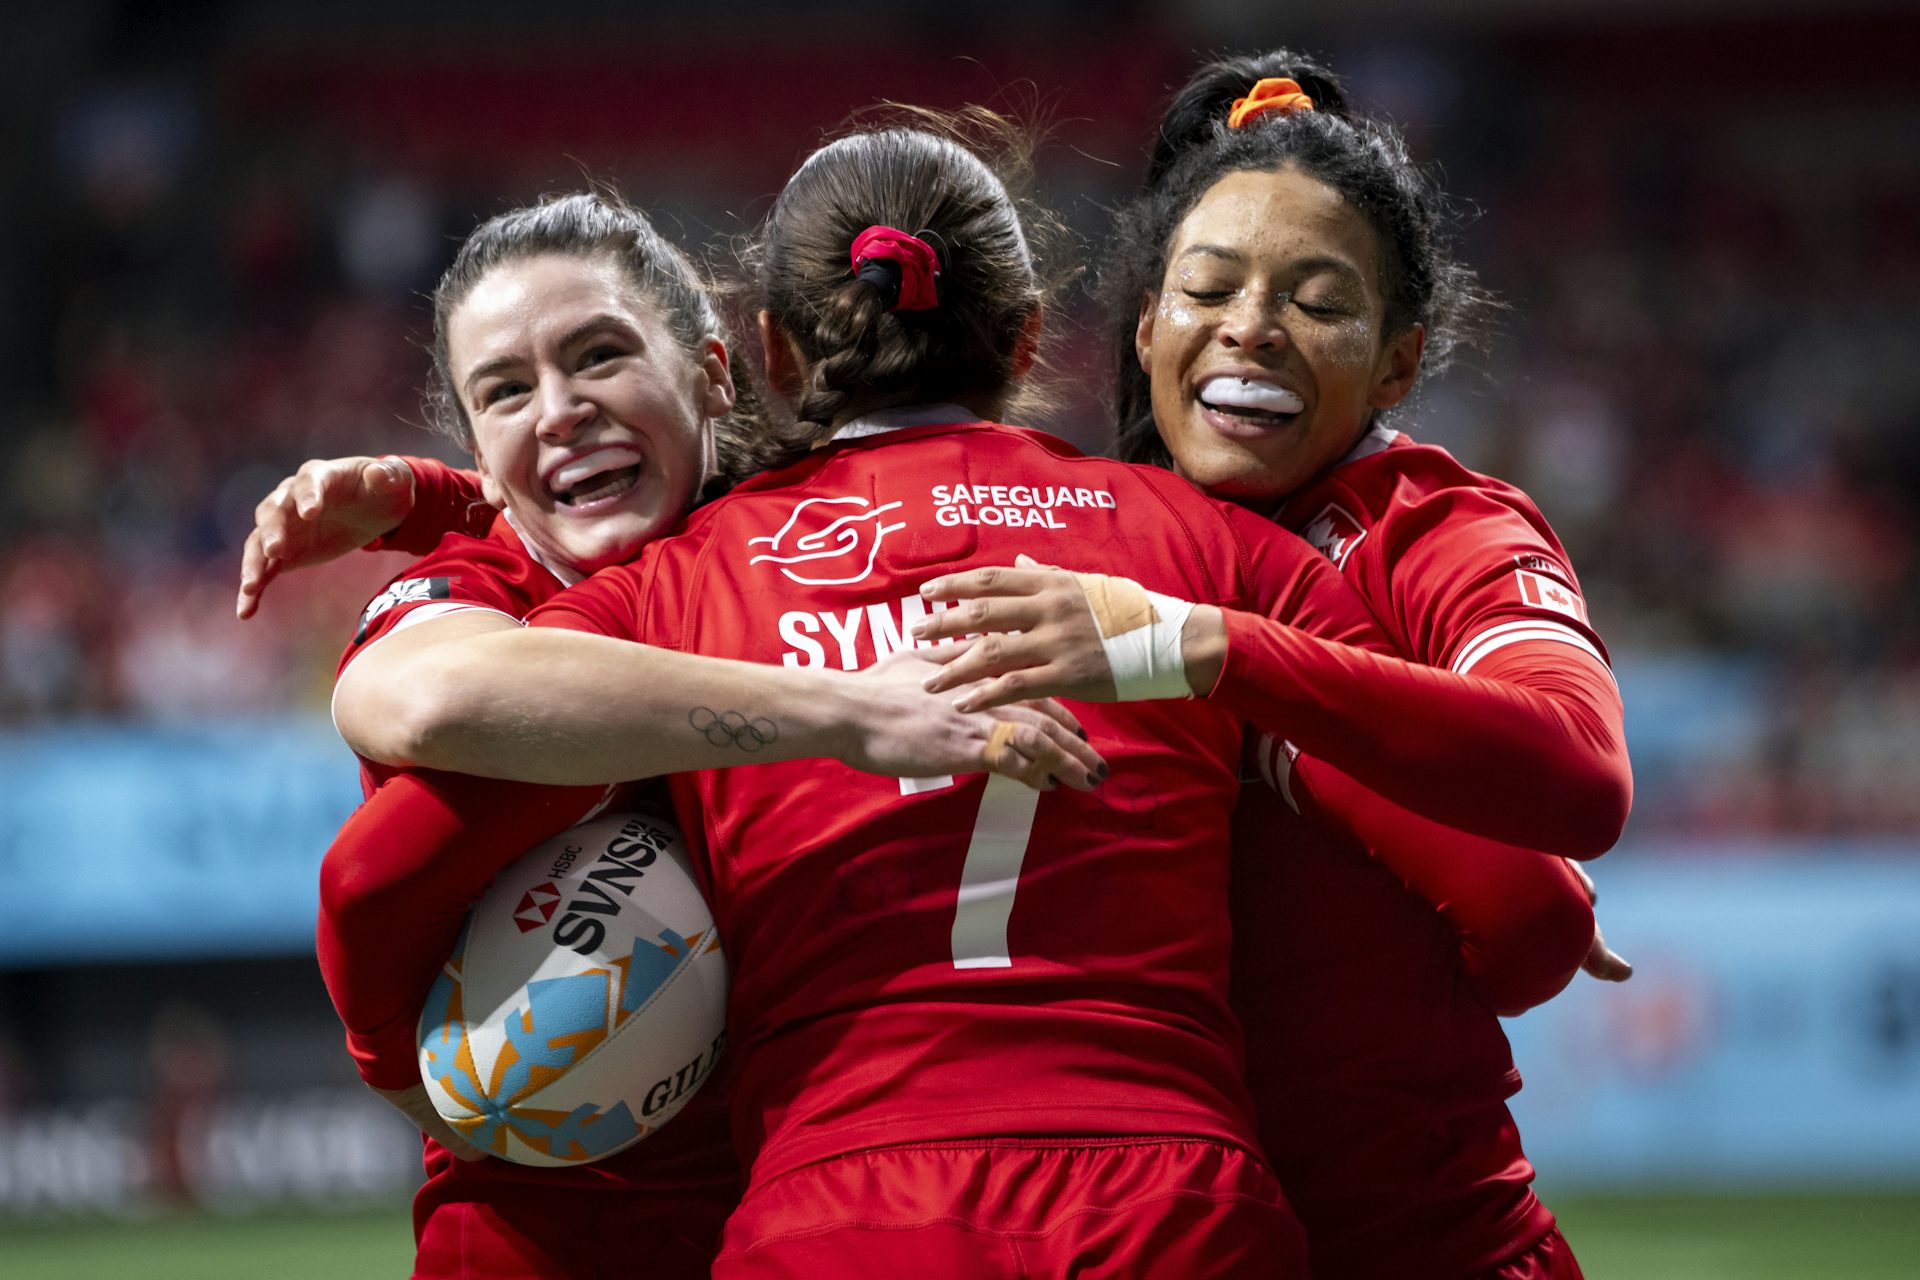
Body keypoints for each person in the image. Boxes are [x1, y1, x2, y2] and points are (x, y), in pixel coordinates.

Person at [249, 191, 1101, 1280]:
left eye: (598, 356)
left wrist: (432, 491)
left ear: (713, 370)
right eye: (505, 392)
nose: (558, 412)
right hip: (548, 1238)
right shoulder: (477, 595)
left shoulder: (781, 538)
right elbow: (387, 819)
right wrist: (845, 707)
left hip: (815, 1210)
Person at [910, 52, 1633, 1280]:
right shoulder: (1084, 552)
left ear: (1399, 364)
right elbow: (1531, 916)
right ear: (1146, 329)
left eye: (1318, 298)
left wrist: (1208, 653)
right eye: (1210, 288)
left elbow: (1577, 772)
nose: (1252, 325)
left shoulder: (1443, 530)